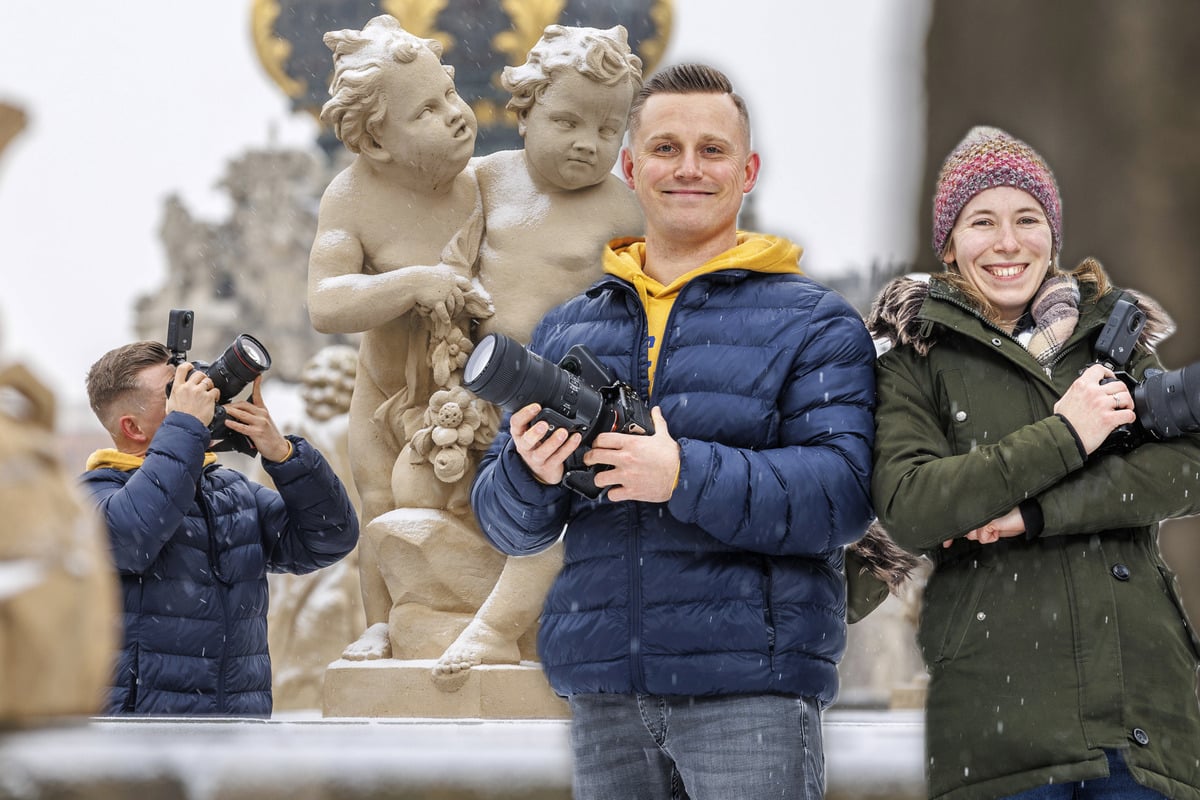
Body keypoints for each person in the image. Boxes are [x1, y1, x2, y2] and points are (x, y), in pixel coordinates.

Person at [471, 63, 878, 799]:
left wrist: (683, 474)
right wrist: (527, 475)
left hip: (750, 693)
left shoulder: (815, 322)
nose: (688, 167)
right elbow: (507, 525)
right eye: (664, 148)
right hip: (603, 693)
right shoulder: (570, 325)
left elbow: (842, 497)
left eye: (712, 150)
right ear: (631, 168)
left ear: (747, 170)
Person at [868, 125, 1200, 799]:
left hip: (1143, 721)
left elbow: (1183, 471)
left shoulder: (1113, 337)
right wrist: (1066, 435)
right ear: (950, 243)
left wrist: (1033, 513)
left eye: (1027, 218)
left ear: (1054, 232)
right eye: (982, 221)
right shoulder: (913, 359)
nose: (1009, 242)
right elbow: (912, 504)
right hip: (1001, 737)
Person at [432, 22, 644, 683]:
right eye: (569, 120)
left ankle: (497, 627)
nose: (589, 142)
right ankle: (392, 615)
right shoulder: (481, 182)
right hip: (469, 387)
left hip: (569, 393)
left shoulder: (626, 212)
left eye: (609, 131)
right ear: (524, 111)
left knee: (564, 492)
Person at [308, 15, 492, 661]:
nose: (455, 115)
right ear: (379, 144)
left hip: (473, 393)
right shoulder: (351, 198)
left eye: (449, 93)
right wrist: (414, 281)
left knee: (480, 507)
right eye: (427, 112)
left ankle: (488, 623)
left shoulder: (487, 184)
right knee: (381, 508)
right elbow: (325, 303)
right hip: (385, 394)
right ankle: (380, 625)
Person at [80, 341, 359, 715]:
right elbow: (135, 536)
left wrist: (284, 455)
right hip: (142, 740)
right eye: (173, 392)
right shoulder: (94, 496)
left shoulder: (230, 491)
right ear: (131, 427)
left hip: (238, 733)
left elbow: (330, 538)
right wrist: (186, 427)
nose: (196, 396)